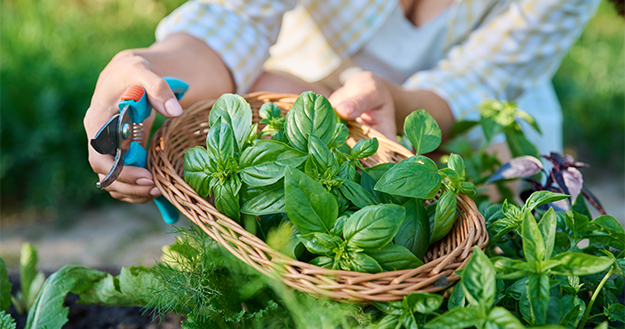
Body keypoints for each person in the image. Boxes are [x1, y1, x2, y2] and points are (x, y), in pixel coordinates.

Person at [84, 0, 601, 204]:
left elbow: (479, 79)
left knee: (466, 234)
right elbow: (232, 18)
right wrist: (149, 68)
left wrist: (399, 102)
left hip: (461, 124)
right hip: (298, 88)